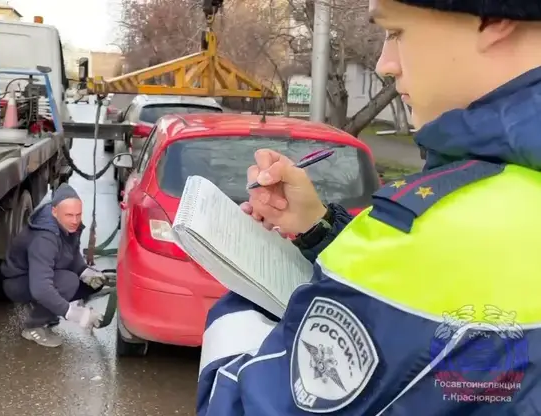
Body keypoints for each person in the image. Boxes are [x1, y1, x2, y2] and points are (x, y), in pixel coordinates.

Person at [197, 0, 541, 414]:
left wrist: (241, 286)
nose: (385, 64)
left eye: (397, 32)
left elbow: (238, 404)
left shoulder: (429, 237)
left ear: (496, 19)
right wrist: (318, 226)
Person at [1, 183, 107, 347]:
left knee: (89, 284)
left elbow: (71, 253)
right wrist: (74, 313)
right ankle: (33, 327)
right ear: (54, 212)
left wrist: (84, 271)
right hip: (17, 282)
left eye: (78, 215)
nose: (75, 221)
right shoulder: (44, 239)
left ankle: (49, 308)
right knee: (68, 282)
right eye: (69, 215)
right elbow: (41, 288)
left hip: (37, 275)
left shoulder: (67, 225)